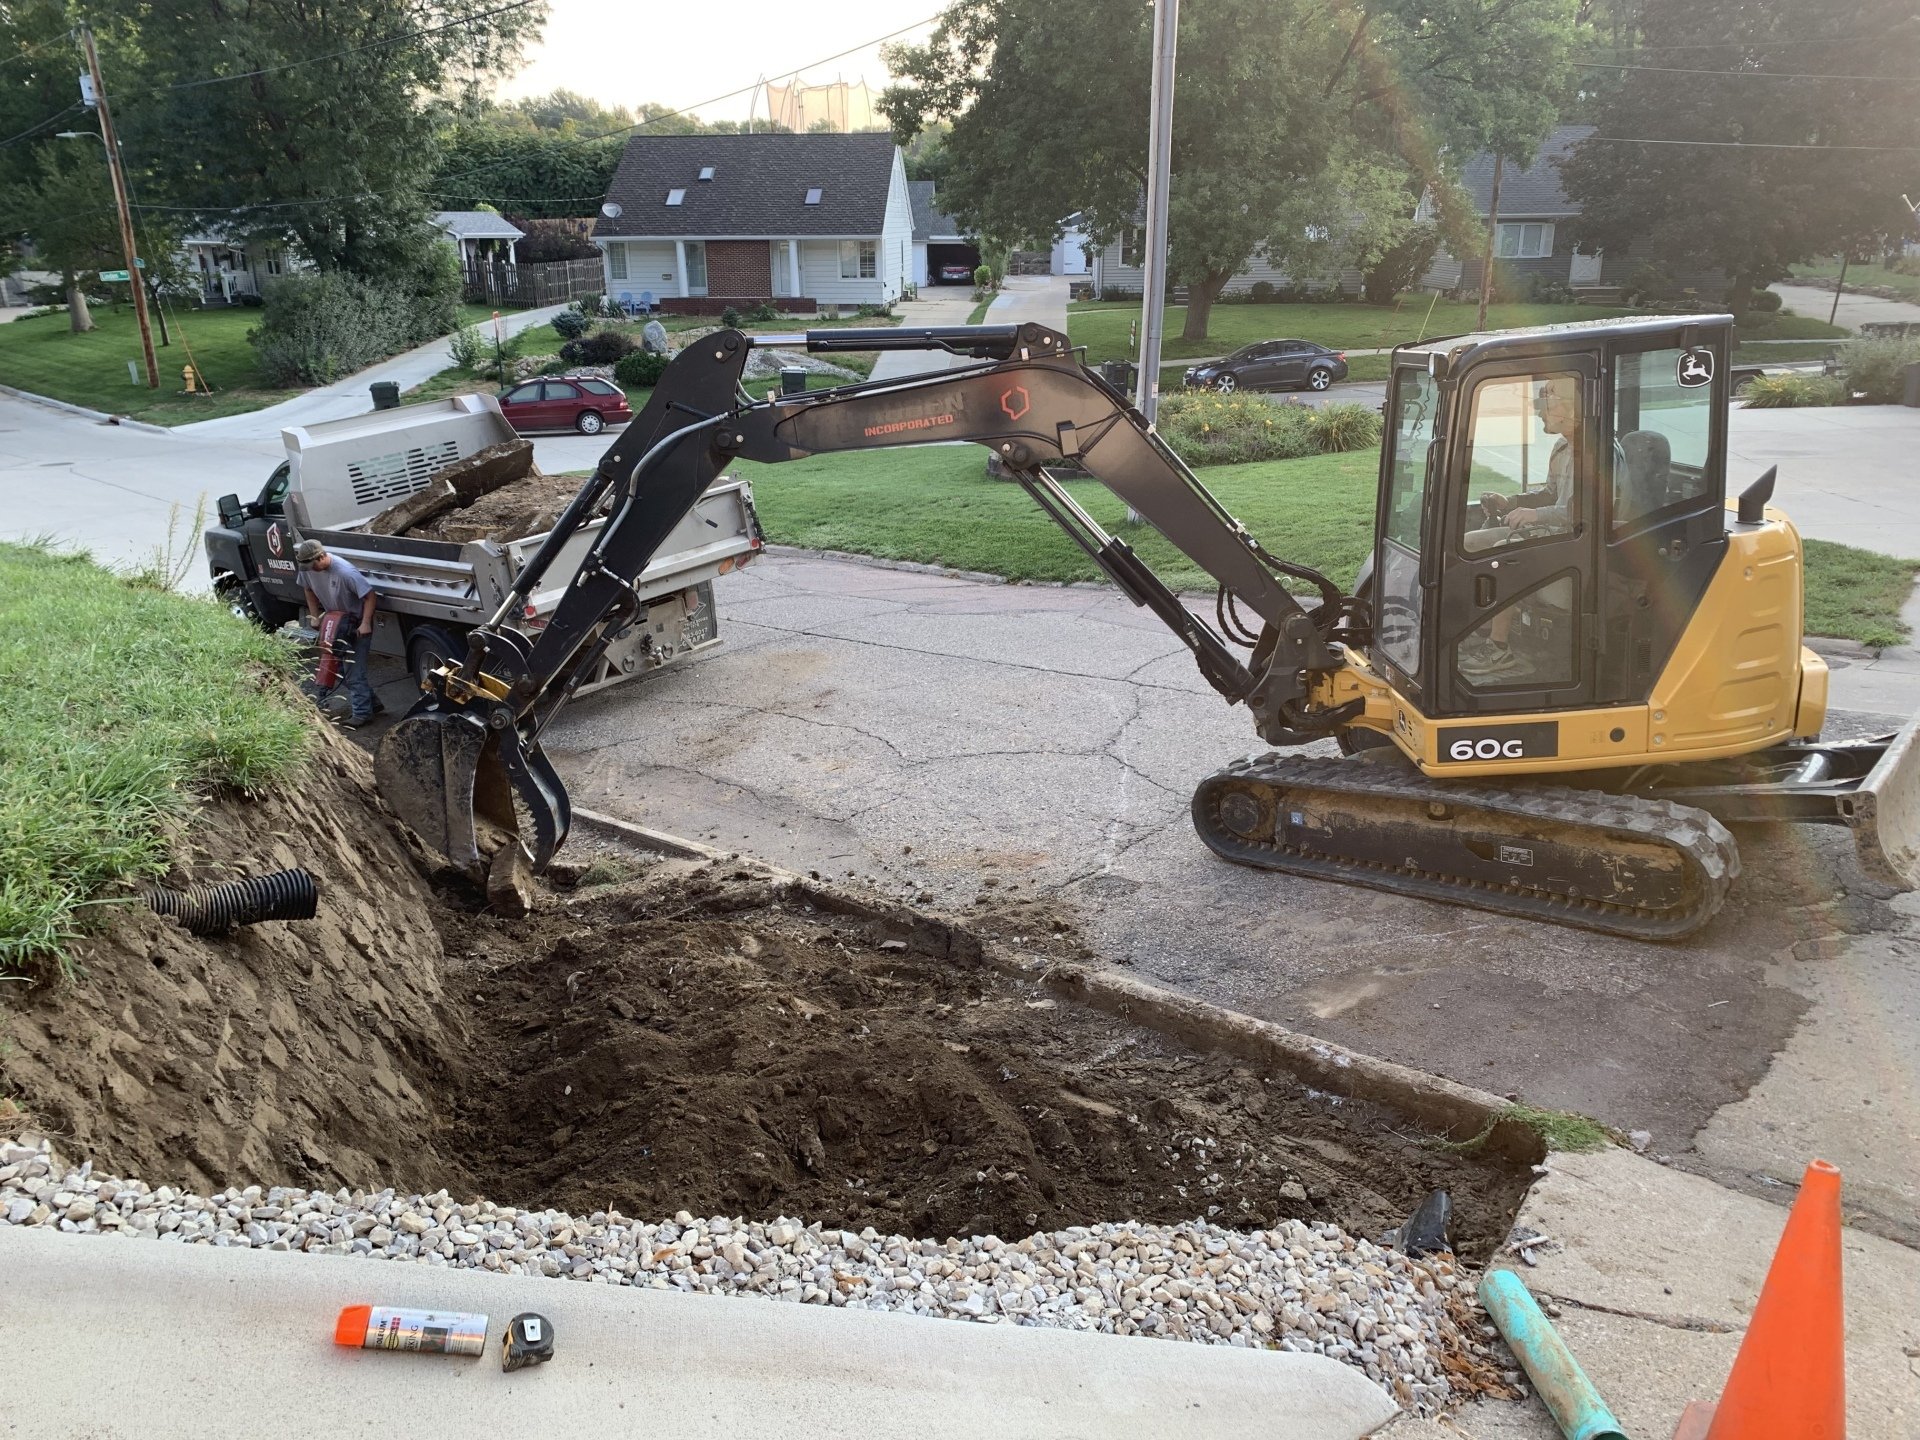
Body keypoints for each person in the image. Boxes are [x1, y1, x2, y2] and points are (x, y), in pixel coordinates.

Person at [1460, 376, 1581, 681]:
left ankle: (1499, 649)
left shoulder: (1600, 452)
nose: (1540, 412)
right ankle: (1484, 630)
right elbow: (1551, 494)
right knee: (1469, 544)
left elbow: (1581, 512)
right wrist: (1510, 501)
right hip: (1552, 533)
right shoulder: (1562, 447)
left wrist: (1535, 515)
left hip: (1575, 543)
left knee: (1505, 556)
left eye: (1547, 403)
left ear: (1571, 407)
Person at [295, 538, 382, 727]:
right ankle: (372, 703)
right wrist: (315, 616)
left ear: (322, 556)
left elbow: (369, 595)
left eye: (313, 565)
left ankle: (362, 714)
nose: (311, 570)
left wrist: (365, 623)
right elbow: (308, 590)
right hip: (335, 623)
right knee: (342, 669)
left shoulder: (345, 572)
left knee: (354, 671)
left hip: (356, 625)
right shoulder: (309, 569)